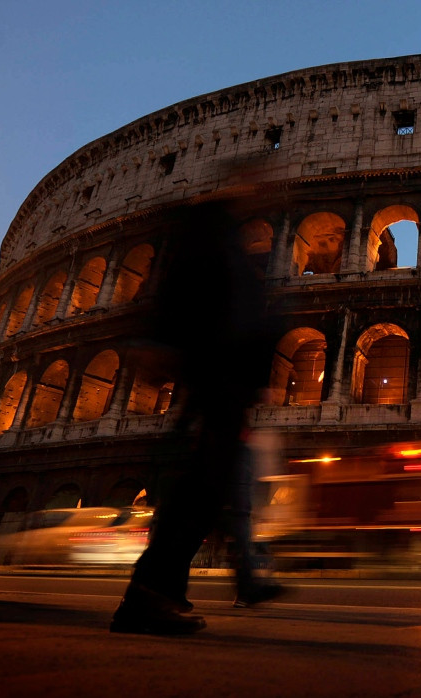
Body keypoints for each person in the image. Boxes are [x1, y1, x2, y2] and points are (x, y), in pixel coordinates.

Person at [110, 203, 284, 635]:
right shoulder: (211, 223)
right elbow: (184, 285)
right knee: (200, 495)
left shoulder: (236, 234)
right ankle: (152, 596)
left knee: (205, 496)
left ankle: (159, 594)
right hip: (213, 377)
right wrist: (163, 344)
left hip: (223, 382)